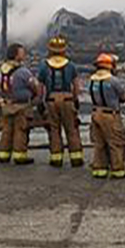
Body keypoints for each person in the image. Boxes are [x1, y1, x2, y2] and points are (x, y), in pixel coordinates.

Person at [37, 37, 87, 168]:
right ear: (64, 50)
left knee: (54, 129)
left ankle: (56, 159)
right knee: (72, 129)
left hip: (51, 100)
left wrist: (40, 102)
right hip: (67, 99)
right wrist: (75, 100)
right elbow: (76, 85)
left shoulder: (44, 65)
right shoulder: (70, 65)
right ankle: (76, 159)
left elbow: (40, 86)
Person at [0, 43, 42, 165]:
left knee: (6, 131)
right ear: (16, 55)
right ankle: (20, 156)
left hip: (7, 105)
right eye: (22, 52)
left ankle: (3, 155)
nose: (24, 54)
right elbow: (35, 86)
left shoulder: (2, 70)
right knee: (20, 131)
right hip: (21, 106)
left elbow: (0, 86)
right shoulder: (23, 71)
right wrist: (37, 98)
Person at [87, 52, 125, 179]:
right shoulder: (113, 80)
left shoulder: (92, 80)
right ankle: (117, 170)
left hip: (96, 114)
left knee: (99, 143)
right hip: (110, 115)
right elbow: (122, 97)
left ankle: (99, 170)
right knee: (116, 142)